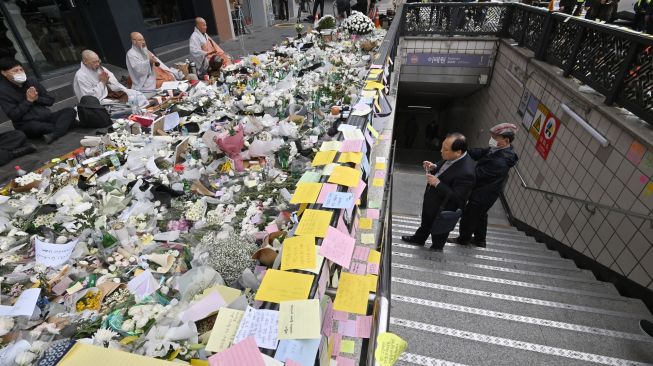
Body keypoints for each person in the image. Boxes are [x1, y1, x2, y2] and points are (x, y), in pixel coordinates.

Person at [401, 133, 476, 251]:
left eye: (445, 149)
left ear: (458, 152)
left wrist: (438, 184)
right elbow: (446, 166)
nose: (441, 151)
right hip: (432, 201)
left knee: (439, 233)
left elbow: (458, 198)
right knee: (426, 222)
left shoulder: (467, 172)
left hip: (444, 207)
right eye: (442, 147)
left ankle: (436, 249)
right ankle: (419, 238)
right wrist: (434, 166)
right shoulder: (452, 156)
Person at [450, 123, 519, 248]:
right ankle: (480, 240)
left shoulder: (501, 161)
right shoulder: (498, 150)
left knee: (469, 216)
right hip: (486, 192)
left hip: (484, 193)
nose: (491, 139)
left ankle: (463, 239)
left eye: (495, 137)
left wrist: (460, 169)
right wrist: (464, 152)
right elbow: (481, 152)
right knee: (481, 215)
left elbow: (477, 174)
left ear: (506, 140)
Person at [0, 58, 76, 144]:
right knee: (40, 127)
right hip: (27, 124)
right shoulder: (3, 91)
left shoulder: (31, 81)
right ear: (4, 73)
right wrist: (28, 101)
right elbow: (14, 115)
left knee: (70, 111)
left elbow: (50, 101)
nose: (19, 72)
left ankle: (55, 133)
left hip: (47, 117)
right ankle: (65, 126)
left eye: (21, 69)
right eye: (15, 71)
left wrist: (37, 99)